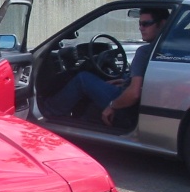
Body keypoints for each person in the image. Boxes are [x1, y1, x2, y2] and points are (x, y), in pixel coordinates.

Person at [40, 7, 170, 127]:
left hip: (126, 107)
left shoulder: (144, 52)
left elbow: (134, 93)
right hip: (137, 103)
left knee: (82, 79)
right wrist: (126, 81)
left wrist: (112, 106)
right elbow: (144, 84)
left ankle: (48, 112)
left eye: (146, 24)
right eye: (140, 23)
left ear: (163, 24)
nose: (141, 28)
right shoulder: (169, 51)